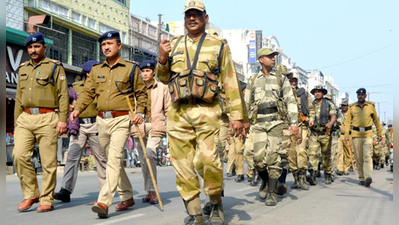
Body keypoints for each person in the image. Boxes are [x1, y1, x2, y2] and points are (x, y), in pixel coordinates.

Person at [156, 0, 247, 223]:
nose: (192, 18)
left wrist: (237, 116)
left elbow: (230, 81)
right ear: (184, 19)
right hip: (178, 114)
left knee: (208, 161)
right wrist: (162, 58)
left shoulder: (219, 45)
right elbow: (163, 78)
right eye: (188, 15)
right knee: (182, 165)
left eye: (197, 14)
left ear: (206, 19)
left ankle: (215, 203)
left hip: (208, 111)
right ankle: (195, 212)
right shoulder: (173, 45)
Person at [70, 31, 147, 218]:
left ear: (119, 46)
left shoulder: (131, 68)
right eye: (103, 44)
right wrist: (77, 109)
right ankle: (127, 195)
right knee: (111, 161)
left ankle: (104, 201)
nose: (106, 47)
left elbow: (141, 92)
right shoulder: (97, 70)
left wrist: (139, 112)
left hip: (122, 119)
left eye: (110, 43)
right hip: (101, 121)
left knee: (113, 159)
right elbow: (88, 93)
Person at [13, 32, 69, 212]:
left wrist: (62, 120)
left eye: (37, 47)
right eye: (30, 47)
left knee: (48, 162)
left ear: (44, 48)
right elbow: (18, 98)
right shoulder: (23, 68)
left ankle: (46, 198)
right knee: (18, 155)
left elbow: (63, 95)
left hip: (47, 117)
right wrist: (16, 122)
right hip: (25, 117)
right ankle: (31, 194)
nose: (33, 50)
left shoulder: (54, 67)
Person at [244, 47, 299, 206]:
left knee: (273, 158)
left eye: (274, 56)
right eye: (269, 56)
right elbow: (246, 103)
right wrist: (244, 123)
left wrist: (294, 123)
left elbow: (290, 101)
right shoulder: (253, 79)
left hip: (276, 122)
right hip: (258, 123)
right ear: (261, 60)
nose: (273, 59)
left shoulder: (282, 78)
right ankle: (266, 181)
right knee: (258, 160)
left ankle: (272, 193)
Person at [54, 60, 107, 203]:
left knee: (101, 158)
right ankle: (65, 190)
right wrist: (70, 106)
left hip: (96, 124)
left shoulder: (102, 87)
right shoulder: (75, 87)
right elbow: (63, 100)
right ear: (88, 73)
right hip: (79, 126)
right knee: (72, 156)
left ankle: (105, 192)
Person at [132, 59, 170, 205]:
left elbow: (168, 109)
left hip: (156, 125)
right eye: (143, 71)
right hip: (139, 126)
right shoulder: (137, 88)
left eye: (148, 71)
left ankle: (154, 191)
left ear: (153, 72)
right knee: (143, 160)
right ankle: (149, 191)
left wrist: (170, 126)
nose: (145, 74)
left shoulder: (162, 87)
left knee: (150, 154)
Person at [344, 88, 381, 187]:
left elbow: (376, 121)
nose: (360, 96)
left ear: (365, 96)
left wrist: (379, 134)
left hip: (368, 134)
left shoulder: (370, 106)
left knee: (367, 156)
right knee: (359, 158)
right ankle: (361, 177)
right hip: (356, 135)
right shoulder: (352, 107)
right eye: (358, 95)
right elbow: (347, 123)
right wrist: (346, 135)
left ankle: (368, 177)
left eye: (362, 95)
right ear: (357, 96)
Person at [288, 71, 314, 190]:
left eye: (295, 81)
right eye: (291, 80)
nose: (293, 82)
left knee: (302, 151)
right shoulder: (284, 92)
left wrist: (311, 119)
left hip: (301, 125)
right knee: (291, 154)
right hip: (288, 126)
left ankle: (303, 178)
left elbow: (310, 109)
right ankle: (296, 179)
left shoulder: (303, 93)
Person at [307, 85, 337, 185]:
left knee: (326, 155)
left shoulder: (328, 104)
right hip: (314, 133)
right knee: (312, 154)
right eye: (315, 91)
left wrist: (330, 123)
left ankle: (328, 174)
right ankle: (312, 174)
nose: (317, 93)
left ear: (323, 93)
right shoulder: (311, 105)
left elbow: (333, 115)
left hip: (325, 133)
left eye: (319, 91)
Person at [324, 93, 340, 182]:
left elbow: (339, 121)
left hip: (333, 134)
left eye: (328, 100)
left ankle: (331, 173)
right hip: (322, 134)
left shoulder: (336, 110)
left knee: (332, 154)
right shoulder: (320, 108)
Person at [336, 100, 352, 176]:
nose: (343, 107)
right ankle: (340, 169)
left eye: (345, 106)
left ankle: (346, 168)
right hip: (340, 135)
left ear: (347, 106)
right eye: (342, 106)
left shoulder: (351, 114)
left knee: (348, 153)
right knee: (339, 152)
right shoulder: (339, 114)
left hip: (348, 135)